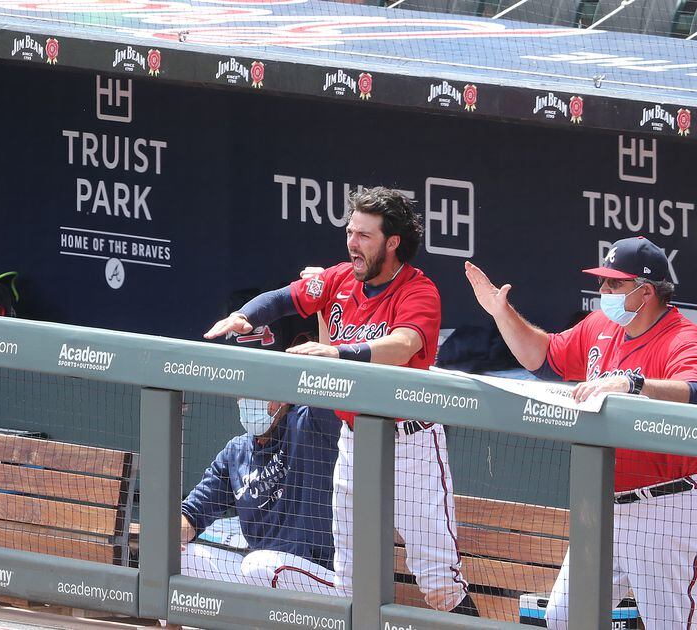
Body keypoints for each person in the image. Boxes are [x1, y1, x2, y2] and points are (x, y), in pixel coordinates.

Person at [205, 187, 478, 615]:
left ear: (392, 243)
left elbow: (404, 345)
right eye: (350, 232)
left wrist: (336, 352)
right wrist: (247, 315)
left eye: (364, 236)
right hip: (353, 443)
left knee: (439, 580)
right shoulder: (339, 279)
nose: (352, 243)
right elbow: (285, 297)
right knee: (351, 580)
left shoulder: (418, 290)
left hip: (410, 445)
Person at [465, 236, 697, 628]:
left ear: (647, 291)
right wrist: (501, 313)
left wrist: (635, 384)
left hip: (664, 507)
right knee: (562, 618)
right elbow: (544, 358)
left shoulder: (681, 337)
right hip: (604, 503)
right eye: (603, 282)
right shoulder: (600, 324)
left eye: (615, 284)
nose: (603, 291)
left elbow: (693, 391)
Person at [181, 398, 340, 594]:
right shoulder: (235, 453)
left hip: (318, 575)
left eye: (260, 394)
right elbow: (191, 513)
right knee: (177, 558)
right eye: (244, 395)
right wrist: (169, 537)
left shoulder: (311, 423)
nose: (249, 401)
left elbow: (324, 383)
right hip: (260, 576)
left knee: (260, 565)